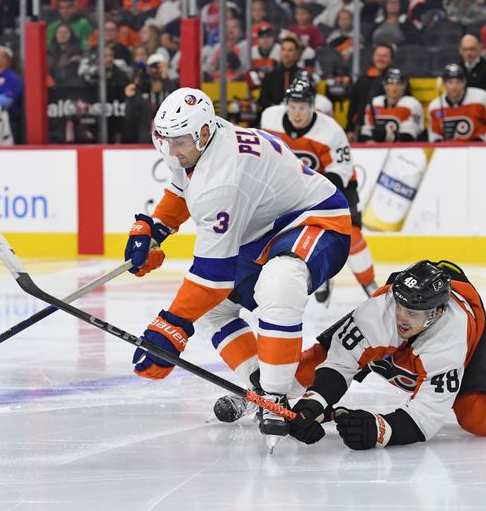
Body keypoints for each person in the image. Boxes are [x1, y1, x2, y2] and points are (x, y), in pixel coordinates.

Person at [124, 87, 351, 445]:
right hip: (262, 232)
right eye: (166, 141)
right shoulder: (200, 141)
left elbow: (214, 276)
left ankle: (274, 398)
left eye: (178, 142)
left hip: (316, 221)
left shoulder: (222, 178)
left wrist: (169, 328)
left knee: (279, 283)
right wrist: (155, 228)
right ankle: (260, 381)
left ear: (201, 133)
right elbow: (182, 188)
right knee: (212, 311)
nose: (171, 150)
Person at [283, 260, 486, 450]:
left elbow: (426, 417)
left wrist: (379, 430)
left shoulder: (451, 335)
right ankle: (257, 396)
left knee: (480, 419)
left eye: (413, 312)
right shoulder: (381, 310)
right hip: (399, 346)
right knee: (310, 366)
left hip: (460, 346)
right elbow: (339, 362)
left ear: (436, 313)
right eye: (401, 306)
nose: (402, 316)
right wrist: (313, 403)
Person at [261, 75, 378, 304]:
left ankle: (369, 284)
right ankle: (322, 274)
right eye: (292, 106)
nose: (296, 113)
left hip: (336, 186)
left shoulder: (331, 131)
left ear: (313, 106)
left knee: (351, 235)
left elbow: (341, 170)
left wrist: (311, 192)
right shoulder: (270, 118)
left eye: (302, 107)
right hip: (294, 188)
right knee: (293, 235)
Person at [427, 63, 486, 150]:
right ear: (444, 84)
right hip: (450, 154)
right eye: (450, 82)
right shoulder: (434, 107)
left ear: (464, 82)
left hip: (480, 150)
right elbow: (434, 137)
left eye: (458, 82)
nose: (454, 86)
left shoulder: (481, 98)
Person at [360, 68, 424, 142]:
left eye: (398, 84)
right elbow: (366, 131)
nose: (394, 88)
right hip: (378, 151)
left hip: (404, 151)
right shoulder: (375, 103)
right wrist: (369, 140)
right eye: (391, 83)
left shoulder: (411, 105)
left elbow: (408, 136)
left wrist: (386, 135)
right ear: (385, 86)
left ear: (404, 86)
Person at [346, 43, 393, 141]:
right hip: (363, 130)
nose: (381, 59)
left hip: (388, 130)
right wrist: (350, 129)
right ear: (373, 57)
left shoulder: (397, 82)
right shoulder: (362, 80)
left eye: (385, 56)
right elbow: (353, 106)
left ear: (391, 59)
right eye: (378, 55)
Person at [257, 36, 303, 112]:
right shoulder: (270, 76)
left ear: (296, 53)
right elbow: (262, 100)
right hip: (274, 116)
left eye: (290, 50)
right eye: (283, 49)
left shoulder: (303, 76)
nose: (286, 54)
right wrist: (275, 109)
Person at [458, 34, 486, 106]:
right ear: (460, 50)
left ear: (479, 49)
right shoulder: (458, 69)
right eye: (465, 49)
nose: (469, 53)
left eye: (472, 49)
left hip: (483, 107)